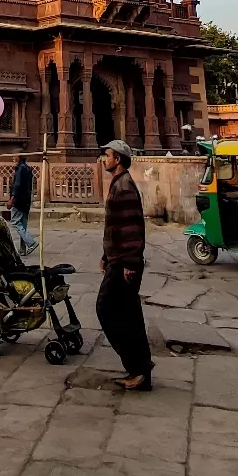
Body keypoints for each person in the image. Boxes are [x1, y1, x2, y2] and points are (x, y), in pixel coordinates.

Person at [96, 139, 152, 391]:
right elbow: (115, 227)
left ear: (118, 159)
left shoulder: (124, 187)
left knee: (109, 310)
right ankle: (139, 369)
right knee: (126, 314)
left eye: (107, 155)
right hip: (118, 260)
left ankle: (138, 368)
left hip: (125, 264)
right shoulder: (119, 183)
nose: (104, 159)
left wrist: (128, 262)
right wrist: (106, 256)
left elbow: (131, 228)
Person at [7, 153, 38, 253]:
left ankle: (31, 243)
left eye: (14, 156)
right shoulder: (27, 169)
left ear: (19, 157)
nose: (12, 157)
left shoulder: (21, 169)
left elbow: (17, 185)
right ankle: (23, 249)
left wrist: (12, 198)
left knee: (15, 222)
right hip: (26, 200)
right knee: (23, 225)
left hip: (19, 200)